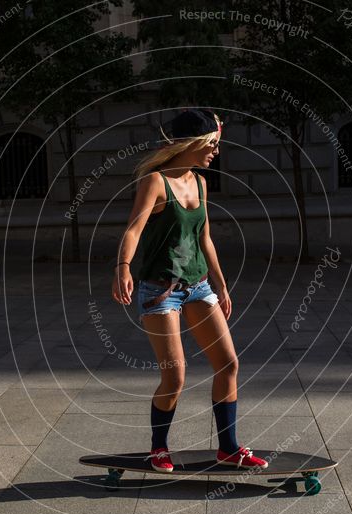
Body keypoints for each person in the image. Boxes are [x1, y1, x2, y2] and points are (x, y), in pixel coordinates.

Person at [111, 108, 268, 473]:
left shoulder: (200, 183)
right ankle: (158, 448)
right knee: (175, 375)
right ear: (190, 143)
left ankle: (228, 448)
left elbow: (204, 238)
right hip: (161, 290)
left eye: (216, 144)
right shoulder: (154, 182)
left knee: (228, 364)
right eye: (211, 144)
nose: (215, 151)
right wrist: (122, 268)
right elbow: (133, 230)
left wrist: (221, 284)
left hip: (198, 287)